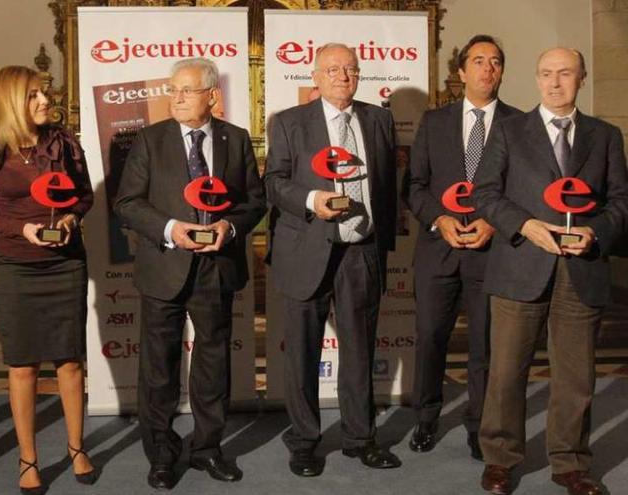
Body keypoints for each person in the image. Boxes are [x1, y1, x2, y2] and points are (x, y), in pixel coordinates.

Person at [473, 47, 628, 495]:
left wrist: (595, 232)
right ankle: (500, 460)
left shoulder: (604, 135)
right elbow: (484, 193)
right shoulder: (508, 131)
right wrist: (524, 225)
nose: (554, 82)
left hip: (581, 269)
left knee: (576, 376)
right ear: (536, 78)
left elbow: (621, 201)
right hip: (521, 264)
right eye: (545, 74)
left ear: (581, 78)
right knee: (505, 372)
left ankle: (571, 463)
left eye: (564, 73)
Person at [114, 57, 265, 490]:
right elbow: (127, 203)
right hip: (164, 265)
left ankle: (207, 448)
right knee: (159, 367)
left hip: (216, 267)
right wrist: (171, 229)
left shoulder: (235, 140)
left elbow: (254, 201)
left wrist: (229, 226)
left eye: (186, 90)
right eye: (172, 89)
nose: (175, 97)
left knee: (213, 363)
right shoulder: (148, 139)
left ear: (211, 96)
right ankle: (161, 452)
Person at [264, 42, 400, 477]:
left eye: (350, 69)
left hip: (361, 250)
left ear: (358, 76)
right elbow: (274, 182)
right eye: (333, 69)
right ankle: (304, 440)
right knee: (302, 351)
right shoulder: (288, 122)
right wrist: (311, 199)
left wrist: (382, 245)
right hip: (306, 249)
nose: (343, 75)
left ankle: (361, 438)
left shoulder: (379, 119)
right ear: (317, 76)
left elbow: (387, 186)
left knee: (359, 349)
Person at [0, 65, 97, 494]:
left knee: (70, 361)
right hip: (14, 264)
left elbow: (85, 195)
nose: (45, 101)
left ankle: (77, 449)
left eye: (45, 93)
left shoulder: (63, 141)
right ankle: (28, 459)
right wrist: (19, 229)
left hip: (65, 263)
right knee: (22, 366)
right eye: (33, 95)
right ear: (10, 101)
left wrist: (74, 217)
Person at [406, 34, 521, 460]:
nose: (486, 69)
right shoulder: (434, 122)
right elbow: (414, 187)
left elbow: (524, 192)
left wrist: (494, 222)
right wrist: (441, 218)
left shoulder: (520, 124)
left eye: (494, 61)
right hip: (439, 248)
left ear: (502, 71)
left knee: (485, 345)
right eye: (478, 61)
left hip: (493, 254)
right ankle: (426, 417)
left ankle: (480, 424)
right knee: (431, 335)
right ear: (461, 71)